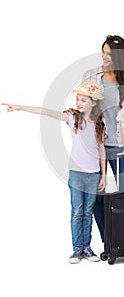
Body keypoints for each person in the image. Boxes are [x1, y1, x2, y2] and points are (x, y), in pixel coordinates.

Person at [2, 80, 106, 264]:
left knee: (88, 212)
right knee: (77, 211)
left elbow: (101, 149)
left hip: (93, 174)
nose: (79, 103)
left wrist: (103, 175)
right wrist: (19, 107)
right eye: (77, 99)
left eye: (83, 100)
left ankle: (87, 248)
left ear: (94, 102)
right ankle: (77, 249)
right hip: (76, 174)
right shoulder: (72, 118)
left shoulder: (99, 122)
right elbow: (46, 112)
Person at [83, 35, 124, 242]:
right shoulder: (91, 76)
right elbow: (83, 108)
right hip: (97, 148)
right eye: (103, 52)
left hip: (122, 146)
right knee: (96, 196)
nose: (105, 57)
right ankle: (109, 240)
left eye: (110, 54)